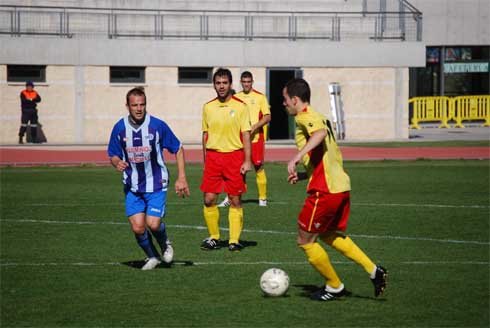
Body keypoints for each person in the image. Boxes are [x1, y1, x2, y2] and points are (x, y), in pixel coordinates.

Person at [283, 78, 387, 301]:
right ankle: (373, 270)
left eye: (285, 100)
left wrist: (296, 157)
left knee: (305, 240)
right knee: (329, 235)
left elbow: (319, 135)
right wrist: (304, 175)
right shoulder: (319, 115)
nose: (283, 104)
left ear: (294, 99)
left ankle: (334, 286)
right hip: (339, 186)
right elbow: (326, 155)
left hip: (325, 189)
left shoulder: (306, 116)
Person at [108, 87, 190, 270]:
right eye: (134, 105)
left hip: (156, 184)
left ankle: (165, 243)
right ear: (127, 106)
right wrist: (116, 162)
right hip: (132, 186)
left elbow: (178, 148)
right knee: (138, 227)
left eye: (142, 104)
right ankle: (152, 257)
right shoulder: (120, 128)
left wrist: (181, 177)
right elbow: (113, 154)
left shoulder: (157, 126)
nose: (139, 108)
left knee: (153, 224)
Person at [200, 68, 252, 252]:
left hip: (234, 157)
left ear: (230, 84)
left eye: (224, 83)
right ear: (214, 85)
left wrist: (247, 160)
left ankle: (234, 240)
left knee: (235, 199)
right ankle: (214, 237)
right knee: (209, 199)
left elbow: (246, 135)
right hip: (213, 158)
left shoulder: (241, 106)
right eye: (218, 83)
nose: (221, 86)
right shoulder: (208, 107)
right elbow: (205, 135)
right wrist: (206, 160)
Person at [218, 71, 271, 207]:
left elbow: (267, 117)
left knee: (258, 167)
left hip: (256, 139)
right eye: (244, 82)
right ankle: (230, 198)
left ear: (252, 82)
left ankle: (262, 199)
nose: (246, 84)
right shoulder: (236, 97)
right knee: (236, 170)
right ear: (241, 82)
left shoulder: (260, 97)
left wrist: (255, 126)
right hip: (239, 140)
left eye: (249, 82)